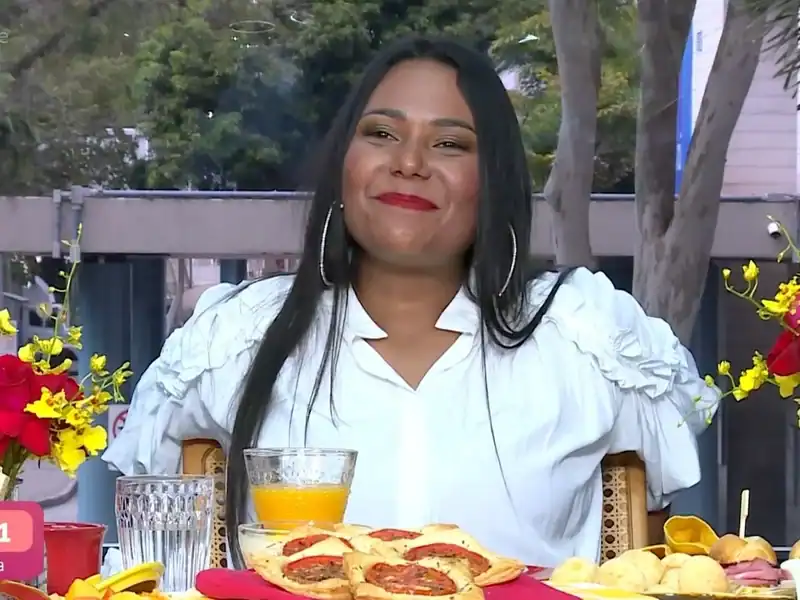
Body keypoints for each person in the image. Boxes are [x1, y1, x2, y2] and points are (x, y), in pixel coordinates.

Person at [103, 35, 719, 567]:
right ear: (343, 167)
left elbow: (650, 560)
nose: (409, 162)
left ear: (494, 182)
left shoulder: (587, 337)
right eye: (382, 133)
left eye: (449, 144)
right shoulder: (235, 339)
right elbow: (150, 557)